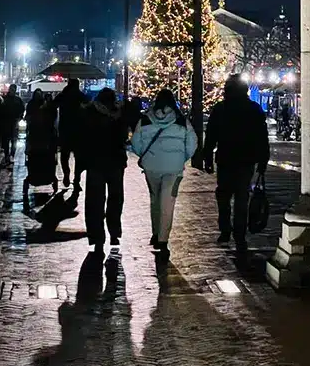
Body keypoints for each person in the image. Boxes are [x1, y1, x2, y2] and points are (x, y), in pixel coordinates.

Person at [203, 74, 270, 253]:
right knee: (241, 197)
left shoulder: (220, 109)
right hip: (246, 160)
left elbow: (211, 136)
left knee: (223, 196)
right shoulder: (254, 109)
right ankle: (239, 232)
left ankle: (225, 229)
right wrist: (263, 161)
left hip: (226, 159)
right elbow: (262, 139)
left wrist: (207, 157)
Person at [131, 88, 197, 259]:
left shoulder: (145, 119)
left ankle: (155, 233)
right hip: (173, 169)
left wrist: (145, 157)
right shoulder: (182, 121)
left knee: (155, 199)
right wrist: (181, 157)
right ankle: (163, 240)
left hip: (151, 166)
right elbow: (192, 144)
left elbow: (136, 142)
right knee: (168, 202)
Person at [80, 87, 128, 253]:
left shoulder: (89, 113)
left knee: (94, 201)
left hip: (95, 162)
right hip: (115, 162)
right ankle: (114, 232)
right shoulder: (119, 115)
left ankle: (96, 236)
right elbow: (123, 137)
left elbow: (83, 138)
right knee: (115, 198)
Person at [23, 89, 59, 206]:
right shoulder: (43, 110)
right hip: (41, 142)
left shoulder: (46, 110)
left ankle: (40, 176)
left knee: (39, 160)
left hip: (40, 142)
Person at [55, 78, 87, 189]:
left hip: (65, 129)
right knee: (79, 157)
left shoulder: (63, 95)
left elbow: (53, 105)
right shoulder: (81, 96)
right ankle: (76, 179)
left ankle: (66, 173)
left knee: (64, 156)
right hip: (78, 130)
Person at [1, 83, 25, 165]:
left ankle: (11, 154)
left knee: (14, 140)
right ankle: (7, 155)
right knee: (7, 140)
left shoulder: (17, 99)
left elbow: (22, 109)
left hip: (14, 122)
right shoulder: (5, 99)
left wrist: (20, 117)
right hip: (6, 122)